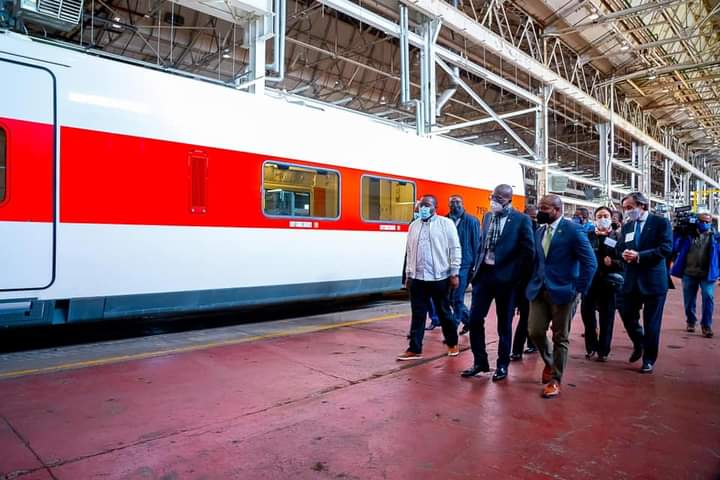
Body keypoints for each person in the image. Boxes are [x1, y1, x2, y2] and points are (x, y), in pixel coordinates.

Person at [461, 185, 534, 381]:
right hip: (484, 276)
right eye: (493, 197)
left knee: (504, 324)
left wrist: (518, 279)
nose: (494, 201)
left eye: (499, 199)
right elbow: (482, 245)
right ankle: (480, 361)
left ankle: (502, 365)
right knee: (475, 319)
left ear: (509, 200)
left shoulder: (521, 220)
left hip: (507, 280)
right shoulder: (487, 217)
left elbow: (528, 252)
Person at [527, 194, 597, 398]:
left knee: (560, 337)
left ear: (557, 210)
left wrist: (578, 289)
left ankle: (555, 379)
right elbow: (538, 261)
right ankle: (550, 362)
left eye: (544, 208)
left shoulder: (573, 231)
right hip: (539, 290)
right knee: (535, 331)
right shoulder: (540, 231)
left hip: (564, 291)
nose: (540, 211)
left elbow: (590, 263)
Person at [398, 195, 461, 360]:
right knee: (418, 314)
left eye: (427, 205)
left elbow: (455, 248)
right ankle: (414, 348)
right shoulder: (414, 226)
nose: (422, 208)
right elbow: (410, 251)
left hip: (439, 277)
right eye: (421, 205)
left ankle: (452, 343)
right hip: (418, 278)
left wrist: (454, 273)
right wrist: (408, 275)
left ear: (435, 207)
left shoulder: (446, 224)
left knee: (444, 312)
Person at [617, 192, 673, 374]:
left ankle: (649, 359)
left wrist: (640, 256)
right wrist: (624, 255)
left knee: (652, 323)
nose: (628, 212)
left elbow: (665, 248)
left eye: (630, 208)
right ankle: (639, 341)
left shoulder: (660, 223)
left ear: (642, 206)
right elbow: (620, 248)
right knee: (625, 312)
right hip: (631, 280)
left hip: (653, 281)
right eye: (625, 209)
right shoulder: (627, 227)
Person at [580, 206, 624, 361]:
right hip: (589, 283)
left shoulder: (617, 237)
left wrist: (612, 262)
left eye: (605, 215)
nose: (602, 219)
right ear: (594, 219)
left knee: (607, 316)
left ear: (611, 218)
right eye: (599, 216)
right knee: (587, 314)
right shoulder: (587, 235)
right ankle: (591, 346)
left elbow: (623, 261)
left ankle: (603, 350)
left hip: (608, 283)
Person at [671, 211, 719, 338]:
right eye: (702, 221)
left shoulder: (715, 237)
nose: (705, 224)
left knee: (708, 297)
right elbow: (674, 247)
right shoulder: (687, 235)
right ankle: (691, 321)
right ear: (696, 221)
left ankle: (706, 325)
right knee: (689, 300)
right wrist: (677, 232)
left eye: (708, 222)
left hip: (707, 274)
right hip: (689, 272)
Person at [446, 195, 481, 335]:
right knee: (450, 298)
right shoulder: (445, 220)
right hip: (447, 265)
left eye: (458, 202)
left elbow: (476, 244)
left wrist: (475, 266)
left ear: (463, 203)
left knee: (457, 298)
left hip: (465, 265)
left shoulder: (472, 221)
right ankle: (469, 322)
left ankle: (452, 330)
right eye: (452, 202)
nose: (455, 204)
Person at [511, 205, 538, 359]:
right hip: (520, 280)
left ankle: (519, 348)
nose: (533, 220)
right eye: (531, 217)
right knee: (525, 315)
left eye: (535, 217)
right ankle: (521, 347)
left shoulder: (539, 232)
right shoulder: (519, 232)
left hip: (532, 281)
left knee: (527, 316)